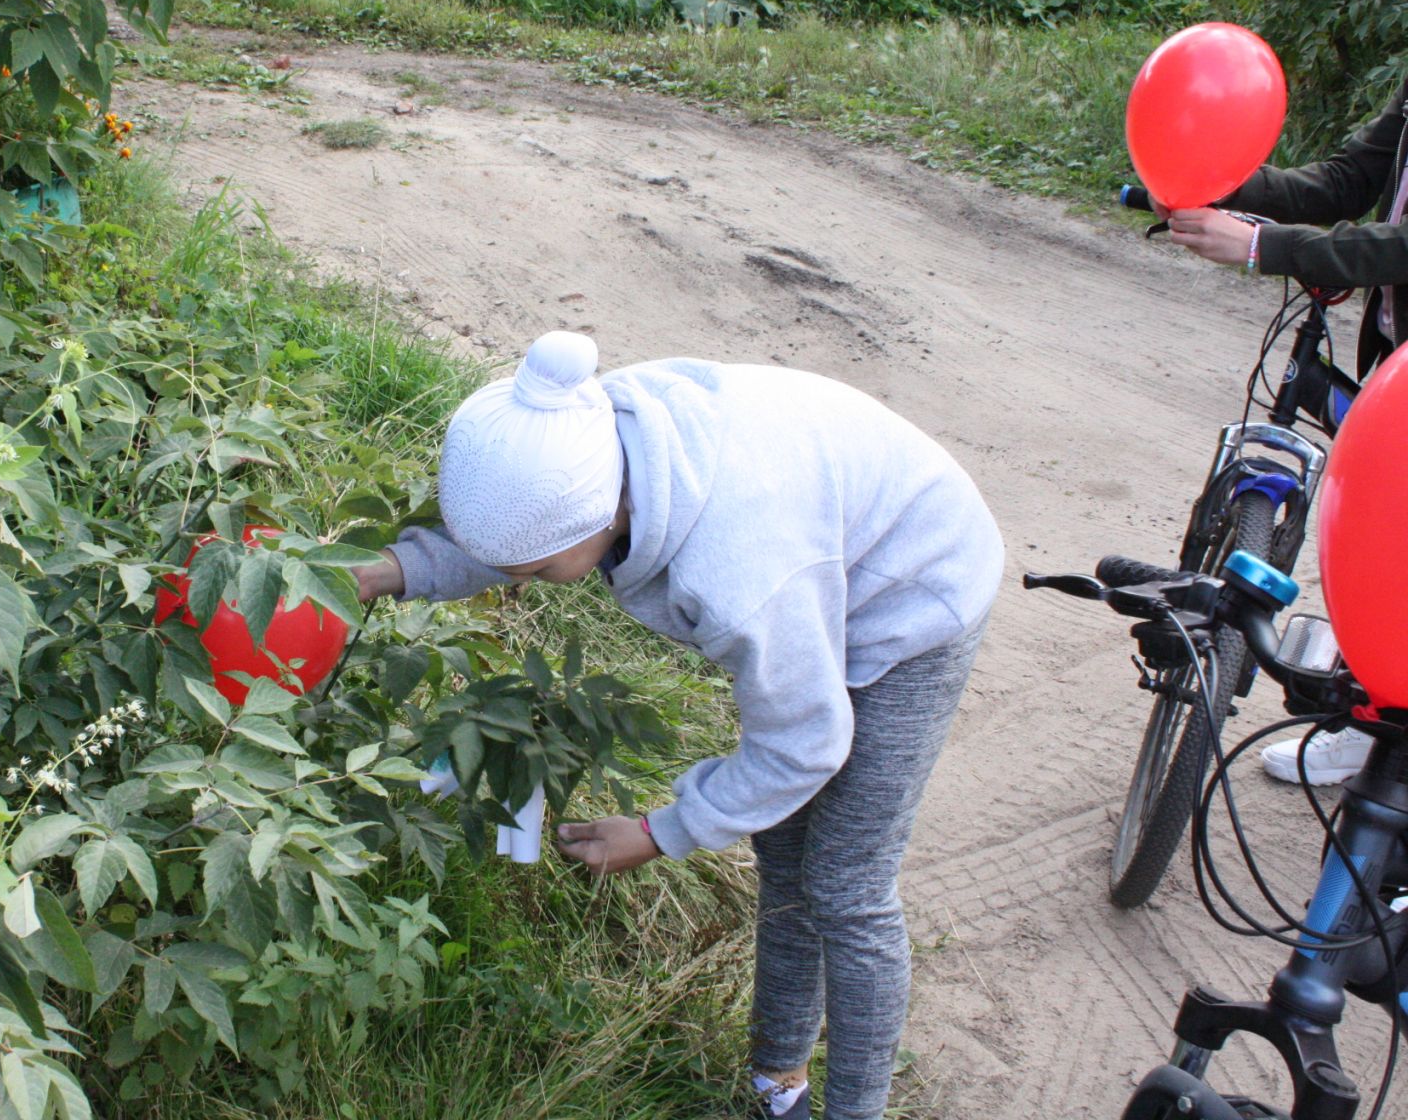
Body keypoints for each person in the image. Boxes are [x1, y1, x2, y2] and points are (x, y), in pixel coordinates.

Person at [352, 331, 1004, 1120]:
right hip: (824, 544)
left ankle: (855, 1110)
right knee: (785, 852)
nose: (521, 586)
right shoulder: (582, 445)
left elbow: (806, 742)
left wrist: (664, 831)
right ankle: (780, 1075)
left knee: (847, 885)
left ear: (594, 516)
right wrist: (392, 571)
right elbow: (514, 538)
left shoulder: (737, 574)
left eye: (533, 575)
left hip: (916, 588)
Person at [1156, 75, 1408, 785]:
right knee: (1385, 529)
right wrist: (1219, 186)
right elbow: (1346, 181)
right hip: (1397, 357)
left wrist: (1271, 246)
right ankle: (1373, 716)